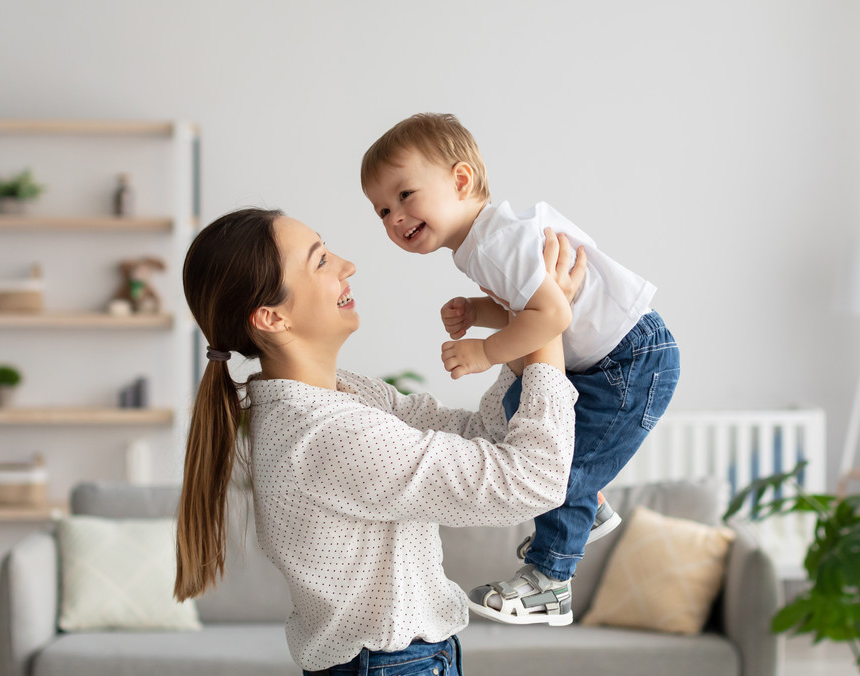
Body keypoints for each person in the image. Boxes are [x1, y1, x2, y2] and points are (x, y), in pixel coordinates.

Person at [173, 207, 586, 674]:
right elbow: (533, 483)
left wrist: (525, 333)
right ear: (271, 317)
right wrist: (548, 329)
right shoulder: (326, 434)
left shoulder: (343, 396)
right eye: (321, 261)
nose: (347, 266)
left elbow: (479, 435)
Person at [361, 113, 681, 626]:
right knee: (522, 406)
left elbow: (552, 315)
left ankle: (552, 580)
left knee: (551, 470)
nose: (394, 216)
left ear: (461, 180)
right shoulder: (482, 245)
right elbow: (532, 306)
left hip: (628, 358)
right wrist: (479, 311)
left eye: (404, 195)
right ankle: (589, 505)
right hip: (604, 356)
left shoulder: (494, 243)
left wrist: (484, 351)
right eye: (380, 210)